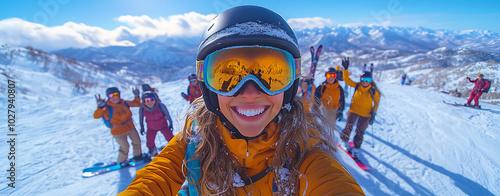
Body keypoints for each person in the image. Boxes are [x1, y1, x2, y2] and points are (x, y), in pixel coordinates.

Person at [119, 6, 363, 196]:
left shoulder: (305, 146)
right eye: (227, 76)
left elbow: (332, 182)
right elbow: (155, 179)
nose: (249, 92)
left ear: (291, 84)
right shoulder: (195, 139)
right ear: (206, 85)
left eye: (273, 75)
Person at [340, 57, 380, 159]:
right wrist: (345, 69)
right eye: (364, 79)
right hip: (353, 111)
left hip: (366, 114)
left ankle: (356, 149)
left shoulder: (374, 91)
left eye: (368, 79)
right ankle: (344, 141)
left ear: (371, 80)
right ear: (361, 79)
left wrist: (374, 113)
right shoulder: (357, 85)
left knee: (360, 132)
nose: (366, 82)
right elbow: (347, 80)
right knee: (348, 127)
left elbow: (376, 103)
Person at [93, 87, 143, 166]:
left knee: (137, 142)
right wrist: (100, 107)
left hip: (130, 127)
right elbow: (96, 116)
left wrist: (137, 96)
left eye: (115, 95)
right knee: (124, 147)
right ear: (108, 97)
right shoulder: (106, 107)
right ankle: (122, 161)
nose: (113, 97)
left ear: (119, 95)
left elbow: (136, 104)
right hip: (117, 131)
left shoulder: (124, 103)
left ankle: (138, 156)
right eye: (110, 96)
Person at [139, 84, 174, 157]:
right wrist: (142, 127)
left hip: (163, 126)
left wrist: (170, 123)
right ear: (143, 102)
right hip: (151, 128)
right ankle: (153, 152)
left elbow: (168, 115)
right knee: (149, 141)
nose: (149, 102)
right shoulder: (142, 109)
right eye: (146, 100)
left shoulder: (160, 106)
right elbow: (141, 119)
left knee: (170, 137)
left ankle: (175, 148)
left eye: (151, 99)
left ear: (155, 99)